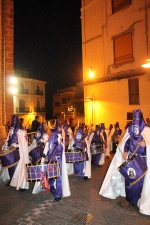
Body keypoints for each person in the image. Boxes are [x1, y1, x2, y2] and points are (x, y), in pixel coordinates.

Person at [99, 109, 150, 216]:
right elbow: (126, 143)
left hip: (142, 160)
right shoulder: (130, 131)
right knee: (130, 180)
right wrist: (125, 152)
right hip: (131, 160)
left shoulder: (147, 131)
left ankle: (141, 200)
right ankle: (131, 200)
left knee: (141, 182)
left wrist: (146, 145)